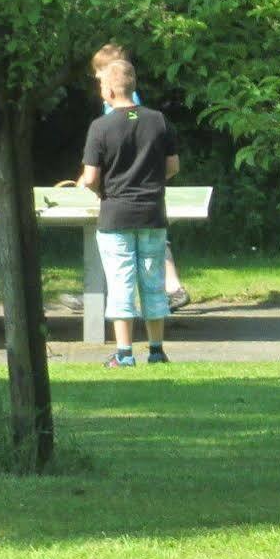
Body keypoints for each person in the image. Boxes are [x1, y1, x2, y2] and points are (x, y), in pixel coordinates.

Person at [75, 57, 179, 367]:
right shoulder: (158, 120)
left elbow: (91, 178)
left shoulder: (100, 127)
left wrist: (102, 191)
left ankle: (124, 354)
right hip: (152, 213)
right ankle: (157, 351)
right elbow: (172, 167)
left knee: (121, 283)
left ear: (107, 89)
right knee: (153, 282)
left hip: (115, 216)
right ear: (133, 87)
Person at [88, 42, 189, 309]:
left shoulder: (119, 110)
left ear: (112, 75)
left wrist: (99, 180)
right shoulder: (142, 112)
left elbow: (124, 149)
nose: (96, 77)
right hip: (143, 197)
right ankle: (166, 293)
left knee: (128, 249)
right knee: (148, 242)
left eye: (99, 72)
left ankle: (168, 288)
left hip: (125, 196)